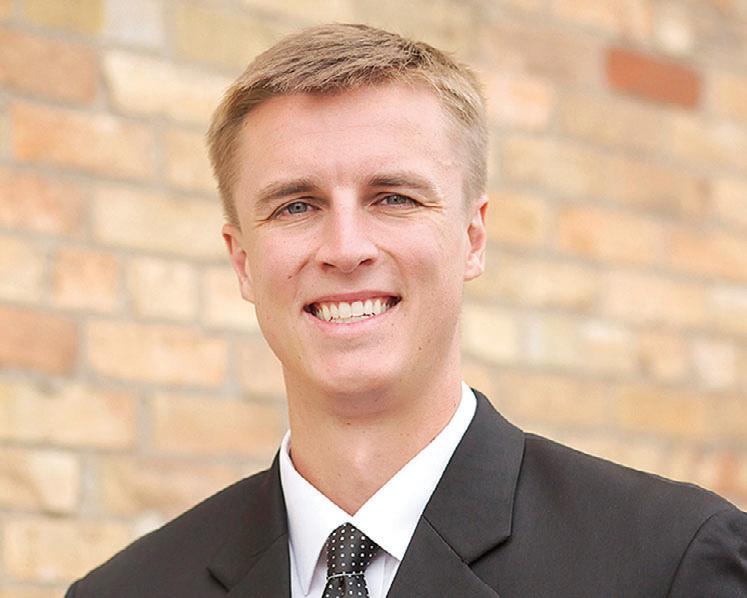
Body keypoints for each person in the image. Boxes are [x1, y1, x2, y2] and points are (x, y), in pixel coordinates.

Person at [66, 23, 747, 598]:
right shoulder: (123, 591)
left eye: (393, 198)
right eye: (296, 206)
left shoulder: (670, 562)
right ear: (242, 260)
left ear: (472, 238)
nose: (344, 248)